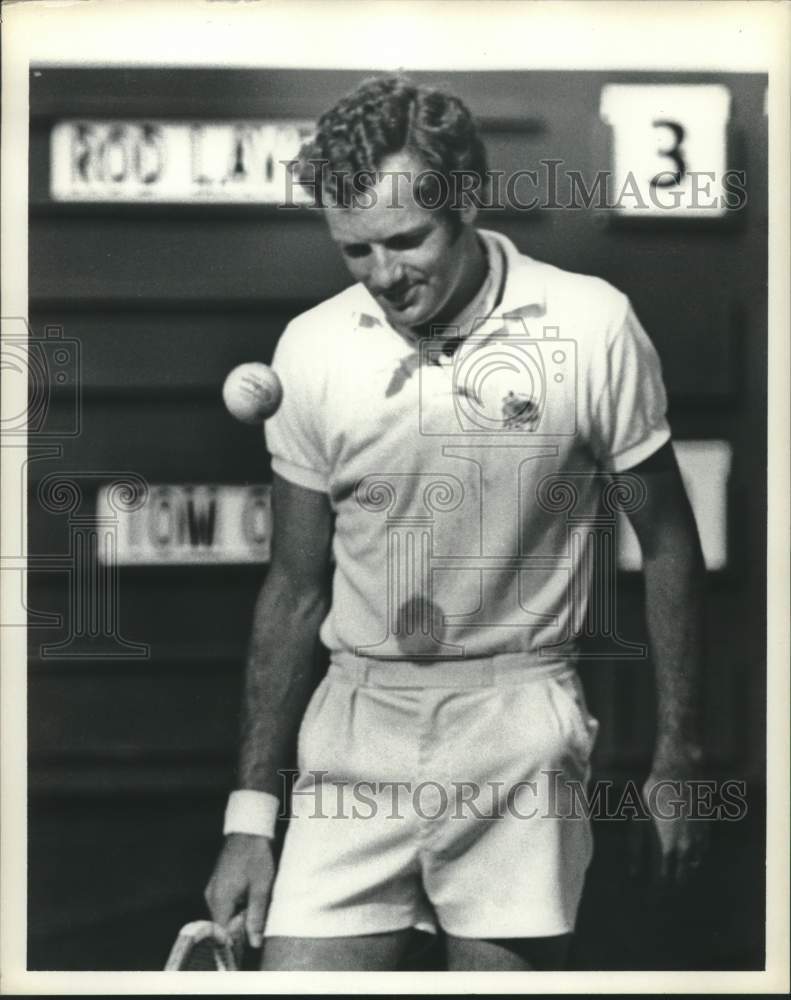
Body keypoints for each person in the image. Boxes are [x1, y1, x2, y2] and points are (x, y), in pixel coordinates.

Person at [205, 74, 708, 971]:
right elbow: (292, 587)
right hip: (353, 732)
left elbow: (667, 543)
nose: (384, 276)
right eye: (354, 251)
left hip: (519, 729)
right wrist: (249, 818)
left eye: (406, 240)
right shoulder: (312, 348)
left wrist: (677, 759)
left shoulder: (591, 325)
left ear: (467, 199)